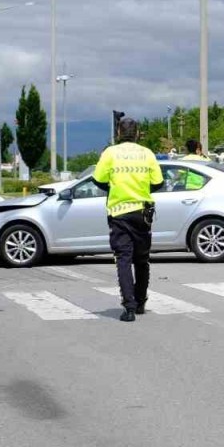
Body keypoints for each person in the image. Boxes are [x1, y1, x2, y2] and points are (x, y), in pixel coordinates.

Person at [93, 117, 162, 322]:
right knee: (142, 260)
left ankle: (129, 308)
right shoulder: (146, 153)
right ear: (138, 133)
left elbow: (98, 179)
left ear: (118, 133)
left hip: (119, 213)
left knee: (123, 259)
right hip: (142, 213)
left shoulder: (110, 153)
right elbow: (158, 183)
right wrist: (140, 190)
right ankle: (140, 302)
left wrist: (116, 188)